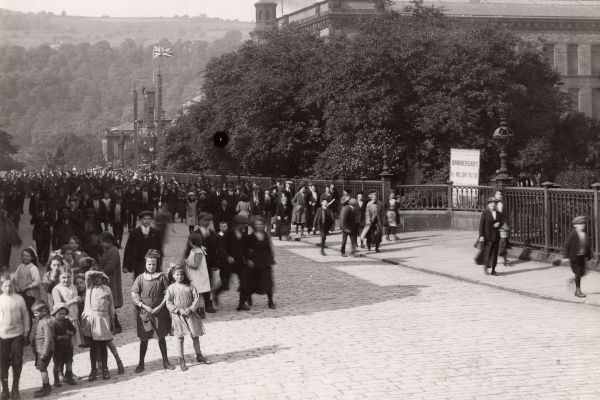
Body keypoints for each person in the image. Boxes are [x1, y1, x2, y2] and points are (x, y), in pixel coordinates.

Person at [131, 249, 174, 373]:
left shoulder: (161, 278)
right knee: (144, 339)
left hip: (159, 313)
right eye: (149, 264)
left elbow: (168, 294)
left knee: (161, 337)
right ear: (145, 264)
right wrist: (144, 306)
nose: (151, 266)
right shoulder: (140, 278)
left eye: (154, 264)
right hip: (145, 313)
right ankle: (141, 363)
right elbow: (134, 294)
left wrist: (160, 307)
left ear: (157, 264)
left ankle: (166, 361)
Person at [165, 265, 210, 371]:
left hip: (190, 315)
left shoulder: (190, 287)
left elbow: (196, 299)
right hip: (178, 316)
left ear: (184, 275)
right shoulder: (171, 288)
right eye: (177, 275)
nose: (180, 276)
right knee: (180, 337)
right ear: (173, 276)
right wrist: (178, 310)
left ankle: (199, 355)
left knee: (195, 336)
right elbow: (169, 302)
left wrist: (191, 309)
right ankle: (181, 359)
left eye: (181, 274)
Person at [82, 270, 115, 381]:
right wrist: (100, 272)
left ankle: (105, 369)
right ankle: (93, 370)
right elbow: (87, 274)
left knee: (103, 346)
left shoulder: (107, 289)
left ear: (103, 279)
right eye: (95, 277)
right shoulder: (90, 288)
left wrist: (112, 319)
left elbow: (111, 306)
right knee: (93, 347)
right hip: (92, 320)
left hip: (104, 320)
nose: (96, 279)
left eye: (99, 277)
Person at [0, 277, 29, 400]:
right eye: (5, 286)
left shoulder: (19, 299)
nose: (8, 288)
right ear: (1, 287)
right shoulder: (0, 300)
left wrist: (26, 332)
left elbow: (25, 315)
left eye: (10, 286)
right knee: (2, 364)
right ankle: (5, 390)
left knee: (17, 362)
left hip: (17, 335)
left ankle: (15, 388)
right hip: (2, 337)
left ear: (14, 286)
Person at [218, 216, 250, 311]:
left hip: (240, 262)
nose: (244, 225)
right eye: (242, 224)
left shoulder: (243, 234)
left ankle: (242, 304)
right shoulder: (229, 233)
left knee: (244, 282)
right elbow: (221, 247)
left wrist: (248, 259)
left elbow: (245, 248)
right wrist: (227, 256)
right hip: (228, 263)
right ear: (237, 225)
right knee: (225, 285)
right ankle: (216, 294)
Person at [246, 216, 276, 309]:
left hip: (265, 261)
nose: (259, 226)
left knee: (268, 282)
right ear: (254, 226)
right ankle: (249, 298)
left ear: (264, 225)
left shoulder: (267, 235)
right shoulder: (250, 237)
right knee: (253, 282)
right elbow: (247, 249)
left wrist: (271, 257)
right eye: (257, 224)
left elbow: (270, 248)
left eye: (261, 224)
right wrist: (249, 260)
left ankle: (270, 302)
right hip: (254, 262)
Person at [123, 211, 163, 278]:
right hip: (139, 262)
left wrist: (159, 262)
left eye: (149, 219)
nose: (147, 221)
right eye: (145, 219)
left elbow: (159, 248)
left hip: (152, 262)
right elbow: (128, 249)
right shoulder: (135, 233)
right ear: (140, 220)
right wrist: (125, 265)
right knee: (139, 280)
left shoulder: (156, 233)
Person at [98, 232, 123, 334]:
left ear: (109, 242)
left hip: (111, 281)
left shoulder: (114, 251)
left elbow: (109, 267)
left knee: (110, 304)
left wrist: (99, 272)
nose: (101, 244)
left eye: (102, 242)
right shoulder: (109, 250)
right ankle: (114, 326)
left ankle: (116, 326)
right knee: (109, 304)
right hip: (108, 280)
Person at [51, 267, 82, 349]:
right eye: (63, 277)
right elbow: (58, 306)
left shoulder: (73, 287)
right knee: (66, 344)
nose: (66, 280)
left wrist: (78, 301)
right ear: (59, 278)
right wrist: (73, 301)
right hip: (65, 319)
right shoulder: (56, 289)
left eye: (68, 277)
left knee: (74, 345)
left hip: (74, 317)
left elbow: (76, 302)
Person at [12, 247, 41, 330]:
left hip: (30, 295)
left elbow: (37, 281)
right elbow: (14, 278)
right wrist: (17, 287)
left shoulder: (33, 268)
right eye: (23, 256)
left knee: (28, 314)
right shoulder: (20, 267)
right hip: (20, 293)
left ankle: (27, 335)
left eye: (27, 256)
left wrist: (27, 288)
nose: (25, 257)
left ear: (32, 257)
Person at [49, 303, 77, 388]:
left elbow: (74, 330)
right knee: (57, 363)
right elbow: (51, 336)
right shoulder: (52, 322)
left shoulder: (67, 321)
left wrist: (70, 333)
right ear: (54, 313)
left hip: (68, 346)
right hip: (57, 347)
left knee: (69, 362)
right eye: (60, 313)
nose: (62, 315)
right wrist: (60, 337)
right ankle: (56, 380)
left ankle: (69, 377)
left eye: (64, 313)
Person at [30, 301, 54, 398]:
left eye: (36, 312)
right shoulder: (40, 321)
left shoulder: (46, 323)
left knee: (43, 369)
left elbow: (48, 339)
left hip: (44, 351)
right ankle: (46, 385)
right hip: (40, 349)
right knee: (42, 368)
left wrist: (44, 353)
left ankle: (46, 387)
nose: (34, 314)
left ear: (44, 312)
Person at [564, 216, 592, 298]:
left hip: (582, 257)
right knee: (578, 273)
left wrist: (589, 255)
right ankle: (578, 290)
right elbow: (567, 245)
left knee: (583, 273)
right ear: (575, 225)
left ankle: (573, 280)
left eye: (583, 223)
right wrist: (566, 257)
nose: (582, 225)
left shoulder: (584, 233)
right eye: (580, 224)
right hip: (574, 257)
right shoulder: (573, 234)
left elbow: (586, 245)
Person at [184, 233, 211, 315]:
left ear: (192, 242)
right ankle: (197, 309)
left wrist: (186, 262)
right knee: (196, 294)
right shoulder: (193, 250)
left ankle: (201, 311)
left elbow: (196, 265)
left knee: (198, 294)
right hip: (194, 275)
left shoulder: (198, 251)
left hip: (198, 277)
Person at [478, 197, 503, 276]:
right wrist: (481, 235)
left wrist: (499, 223)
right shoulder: (485, 213)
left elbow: (502, 221)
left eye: (494, 203)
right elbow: (481, 225)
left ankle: (493, 270)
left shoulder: (498, 213)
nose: (493, 205)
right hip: (487, 237)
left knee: (495, 254)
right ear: (488, 205)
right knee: (488, 253)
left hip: (496, 237)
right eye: (491, 203)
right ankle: (486, 267)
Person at [0, 205, 22, 271]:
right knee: (3, 252)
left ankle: (5, 264)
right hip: (3, 241)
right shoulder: (8, 221)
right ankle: (2, 265)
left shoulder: (8, 221)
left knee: (6, 252)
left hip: (7, 241)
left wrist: (17, 240)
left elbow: (12, 231)